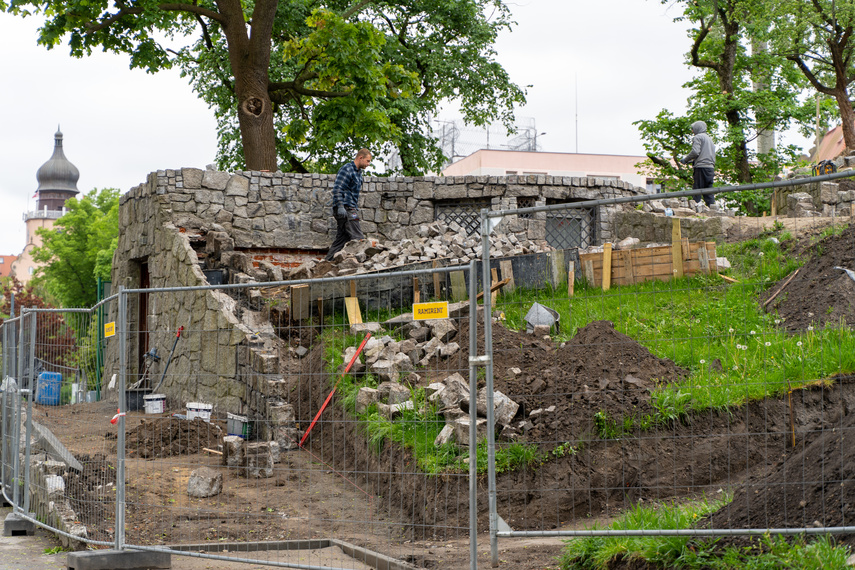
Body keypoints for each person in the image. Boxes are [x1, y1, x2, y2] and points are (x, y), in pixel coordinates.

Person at [325, 148, 372, 261]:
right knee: (358, 238)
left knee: (341, 240)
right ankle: (363, 267)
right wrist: (340, 206)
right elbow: (337, 189)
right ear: (360, 158)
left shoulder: (358, 173)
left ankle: (326, 263)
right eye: (367, 161)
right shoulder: (347, 169)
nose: (368, 164)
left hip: (350, 208)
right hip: (345, 208)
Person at [681, 120, 716, 208]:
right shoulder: (709, 139)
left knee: (697, 189)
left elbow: (695, 152)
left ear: (697, 128)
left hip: (701, 167)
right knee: (708, 191)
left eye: (693, 129)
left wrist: (685, 159)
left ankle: (695, 210)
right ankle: (713, 209)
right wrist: (693, 161)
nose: (692, 131)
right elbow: (706, 154)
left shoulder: (698, 137)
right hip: (710, 168)